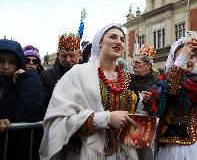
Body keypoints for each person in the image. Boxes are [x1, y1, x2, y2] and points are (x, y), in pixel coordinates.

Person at [39, 23, 147, 160]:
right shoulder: (79, 74)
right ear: (100, 43)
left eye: (122, 39)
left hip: (121, 153)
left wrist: (139, 125)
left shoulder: (128, 78)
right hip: (84, 152)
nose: (118, 41)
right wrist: (105, 118)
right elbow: (60, 121)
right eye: (113, 37)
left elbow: (137, 114)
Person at [146, 37, 197, 160]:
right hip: (175, 149)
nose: (188, 61)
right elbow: (169, 95)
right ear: (175, 61)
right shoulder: (163, 84)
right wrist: (181, 62)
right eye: (184, 56)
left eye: (192, 56)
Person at [0, 39, 45, 160]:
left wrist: (29, 77)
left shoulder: (25, 83)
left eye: (12, 62)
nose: (5, 66)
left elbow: (30, 110)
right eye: (1, 61)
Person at [40, 33, 82, 109]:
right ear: (58, 55)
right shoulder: (46, 76)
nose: (68, 60)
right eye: (64, 56)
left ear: (80, 55)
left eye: (72, 56)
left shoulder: (87, 75)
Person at [132, 44, 159, 160]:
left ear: (148, 65)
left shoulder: (158, 80)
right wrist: (139, 96)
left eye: (138, 63)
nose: (134, 65)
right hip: (132, 124)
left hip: (151, 124)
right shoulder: (129, 79)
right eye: (134, 62)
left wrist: (154, 96)